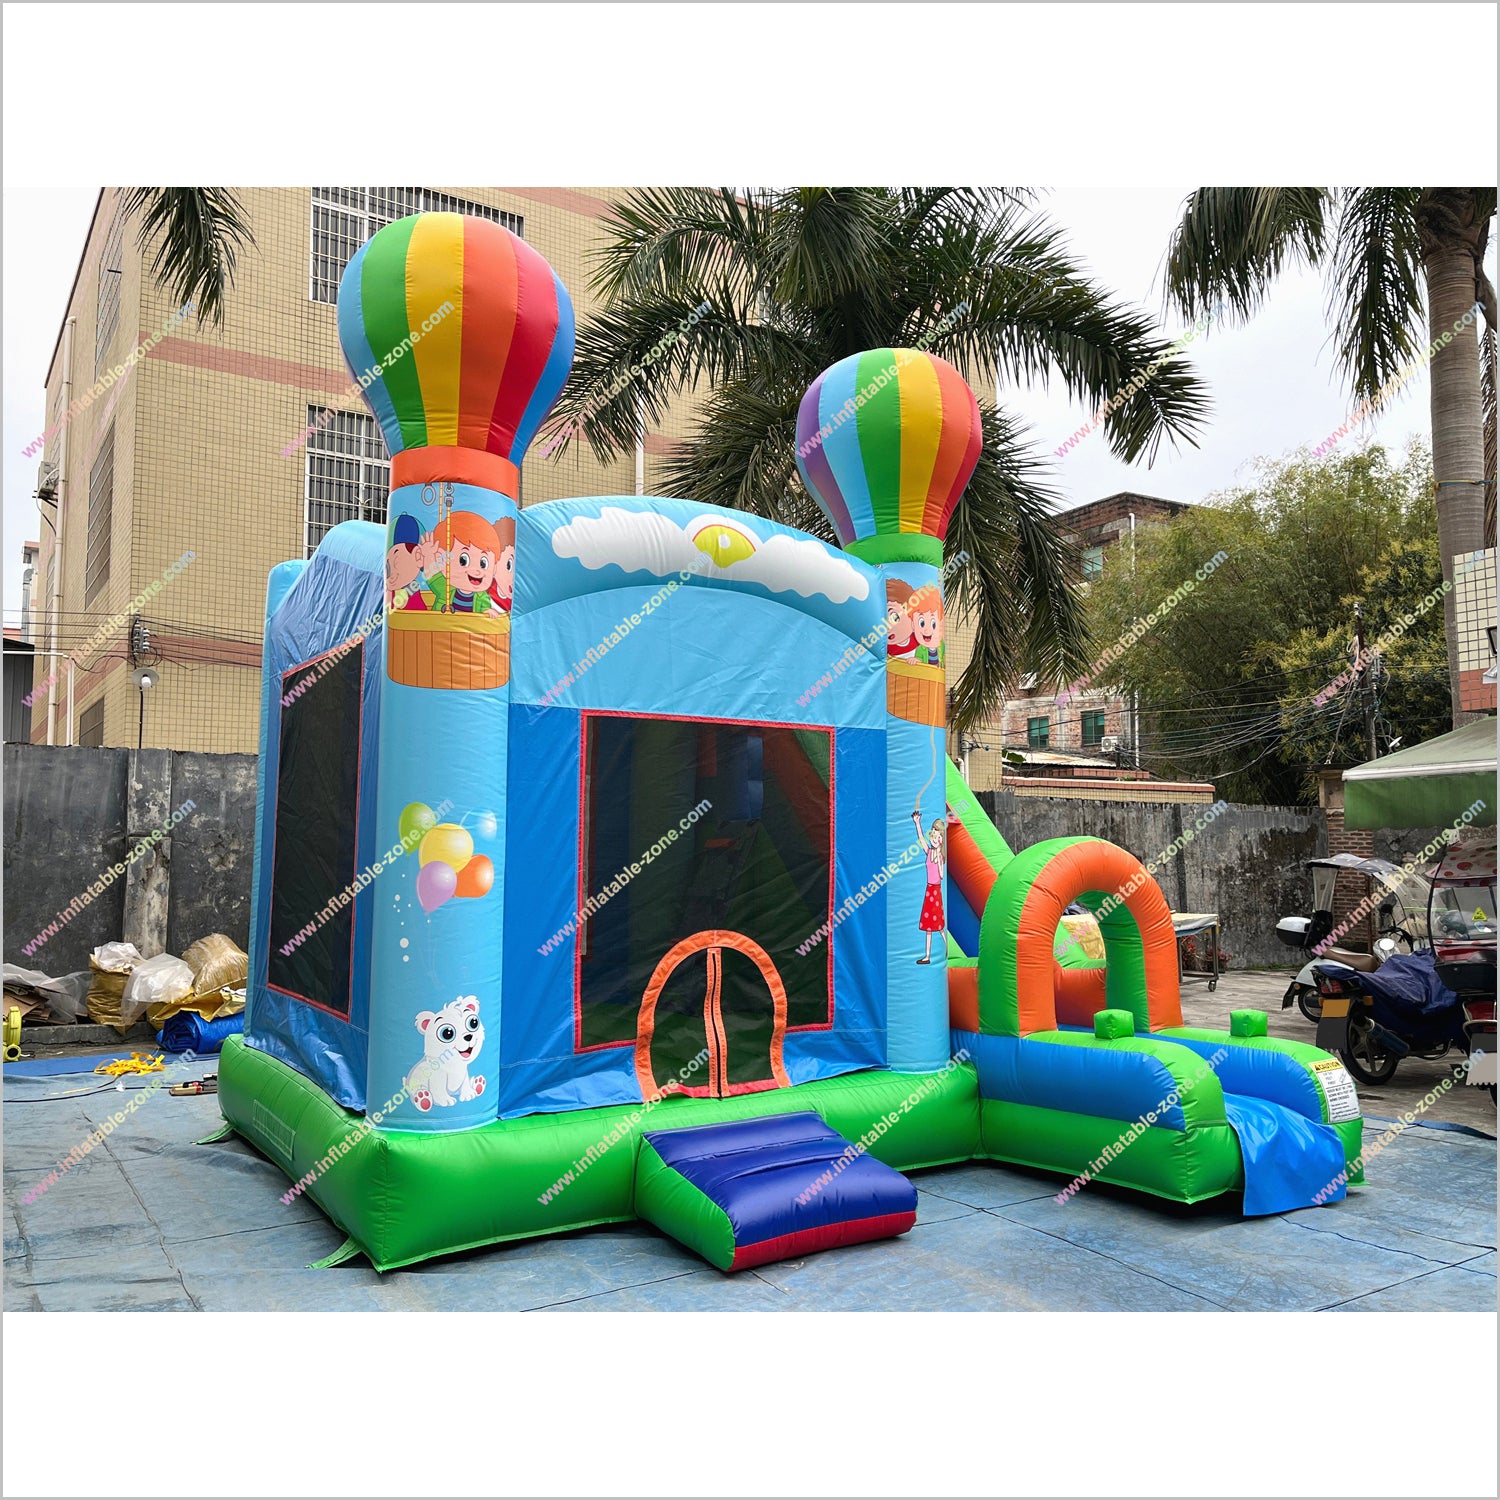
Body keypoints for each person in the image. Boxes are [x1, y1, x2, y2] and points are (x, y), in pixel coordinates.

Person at [425, 511, 502, 614]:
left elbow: (484, 608)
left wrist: (488, 611)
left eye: (483, 564)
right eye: (463, 561)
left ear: (494, 568)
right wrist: (428, 557)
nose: (477, 571)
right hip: (442, 623)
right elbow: (431, 575)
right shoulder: (446, 589)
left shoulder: (482, 596)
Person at [911, 809, 946, 963]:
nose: (934, 839)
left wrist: (939, 860)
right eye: (933, 835)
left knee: (938, 925)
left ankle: (945, 949)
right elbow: (921, 839)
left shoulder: (939, 856)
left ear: (941, 840)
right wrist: (917, 823)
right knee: (928, 926)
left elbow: (941, 875)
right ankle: (927, 956)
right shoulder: (929, 852)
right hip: (929, 890)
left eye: (937, 837)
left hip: (936, 891)